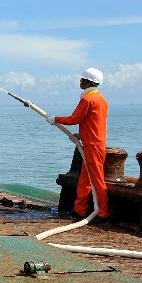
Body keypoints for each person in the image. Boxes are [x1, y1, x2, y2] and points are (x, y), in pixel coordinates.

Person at [48, 67, 109, 221]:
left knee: (97, 181)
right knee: (85, 180)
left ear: (88, 81)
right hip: (94, 142)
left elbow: (74, 119)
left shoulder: (88, 99)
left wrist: (55, 119)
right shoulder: (102, 100)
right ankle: (79, 211)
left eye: (82, 79)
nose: (80, 82)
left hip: (93, 145)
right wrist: (81, 135)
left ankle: (103, 213)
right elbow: (95, 123)